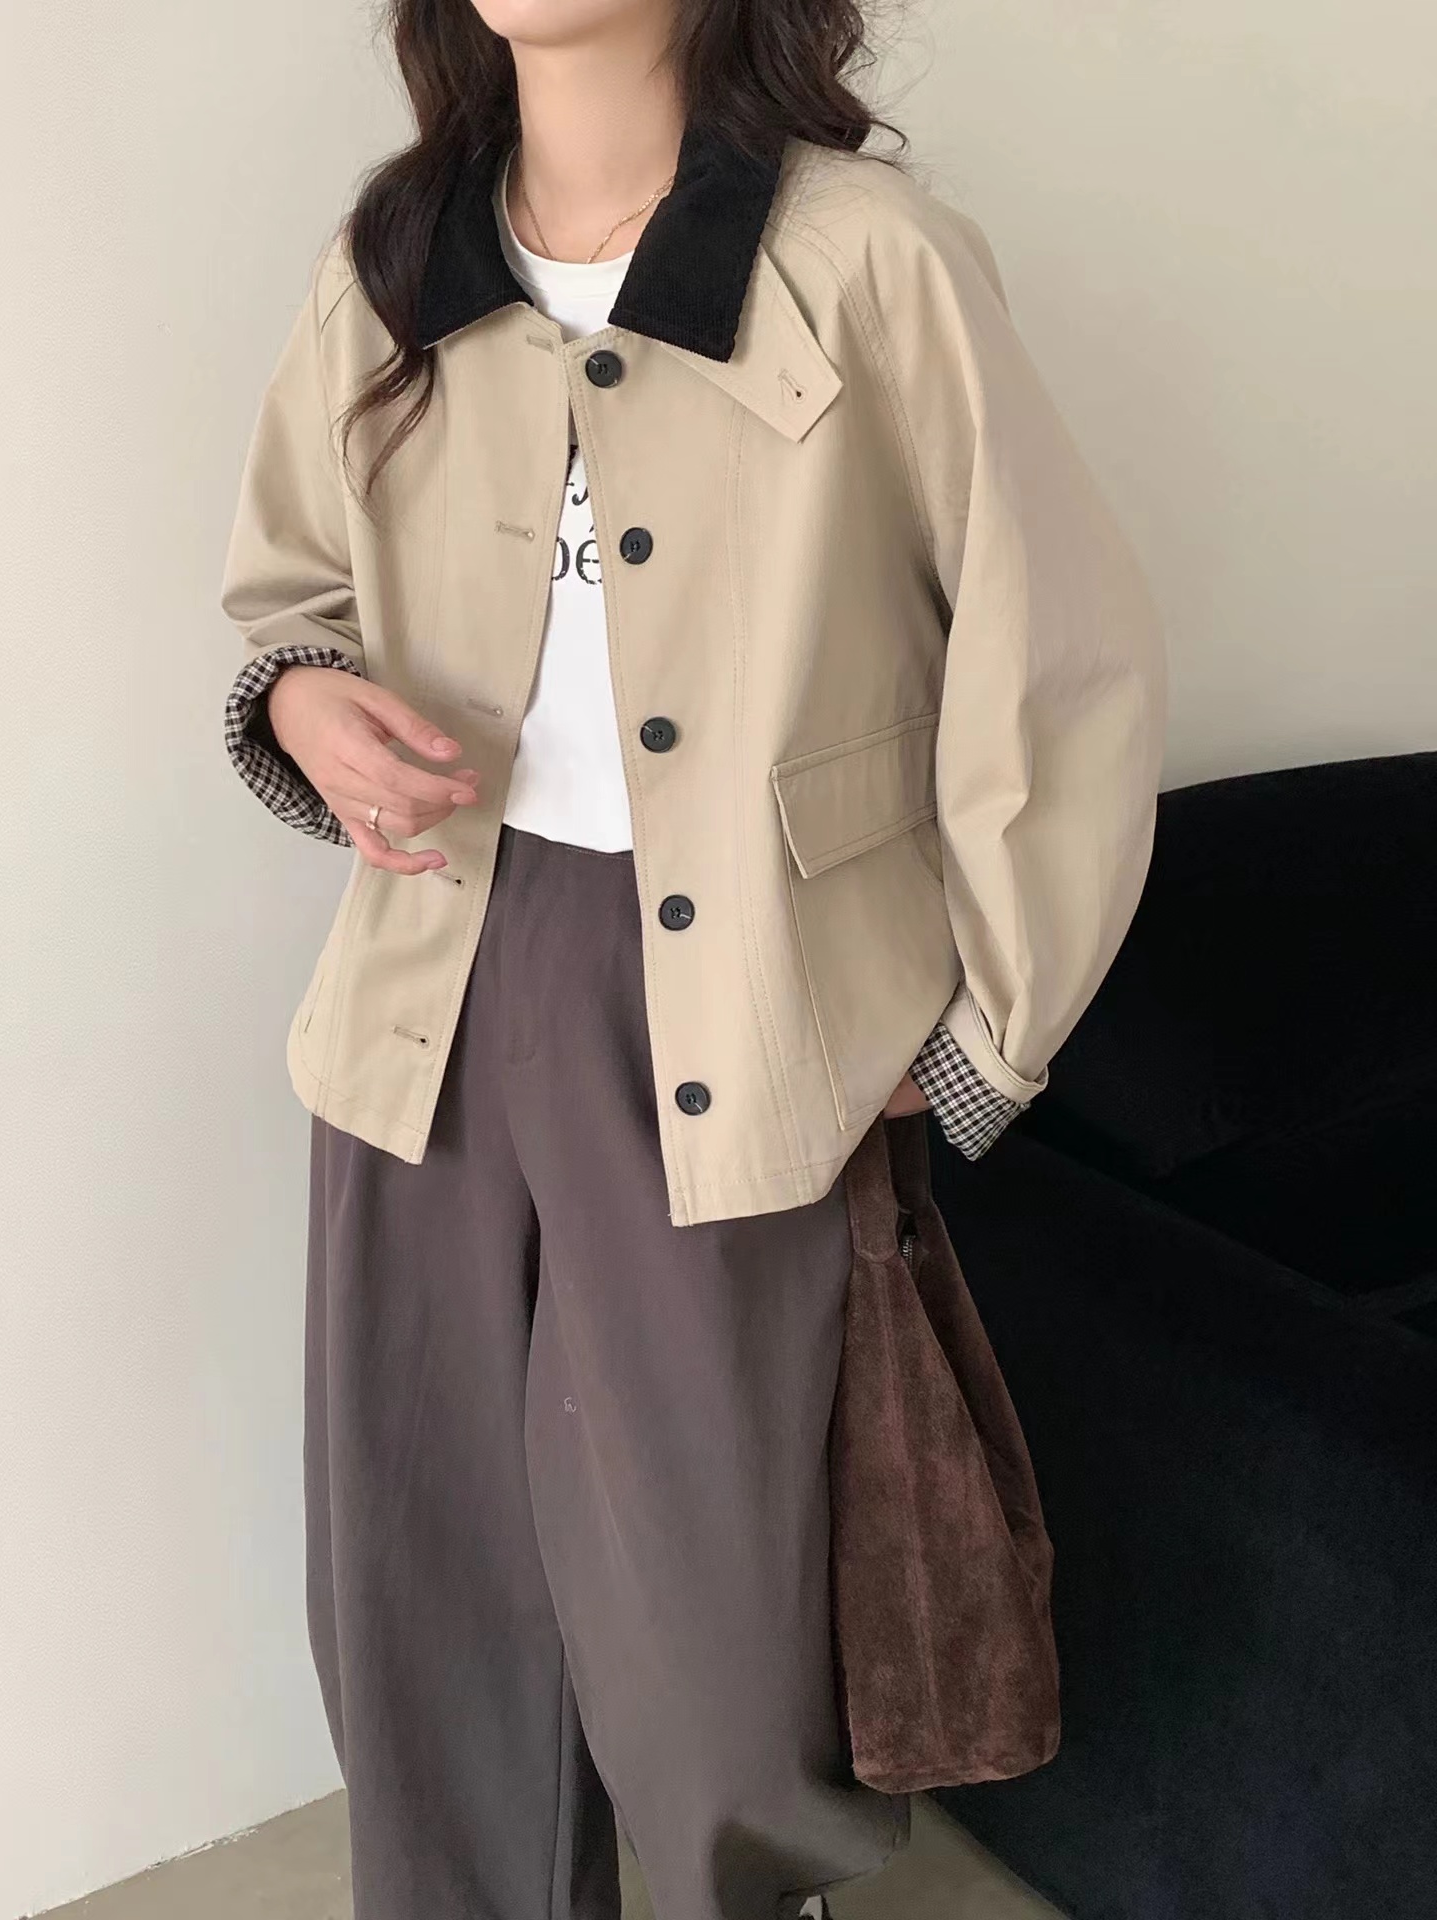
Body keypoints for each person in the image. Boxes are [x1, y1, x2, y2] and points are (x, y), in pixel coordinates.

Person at [218, 1, 1167, 1915]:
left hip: (744, 1008)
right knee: (422, 1597)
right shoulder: (394, 260)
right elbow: (290, 594)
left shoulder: (865, 263)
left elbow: (1059, 670)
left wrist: (977, 1033)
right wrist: (304, 699)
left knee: (723, 1658)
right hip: (430, 992)